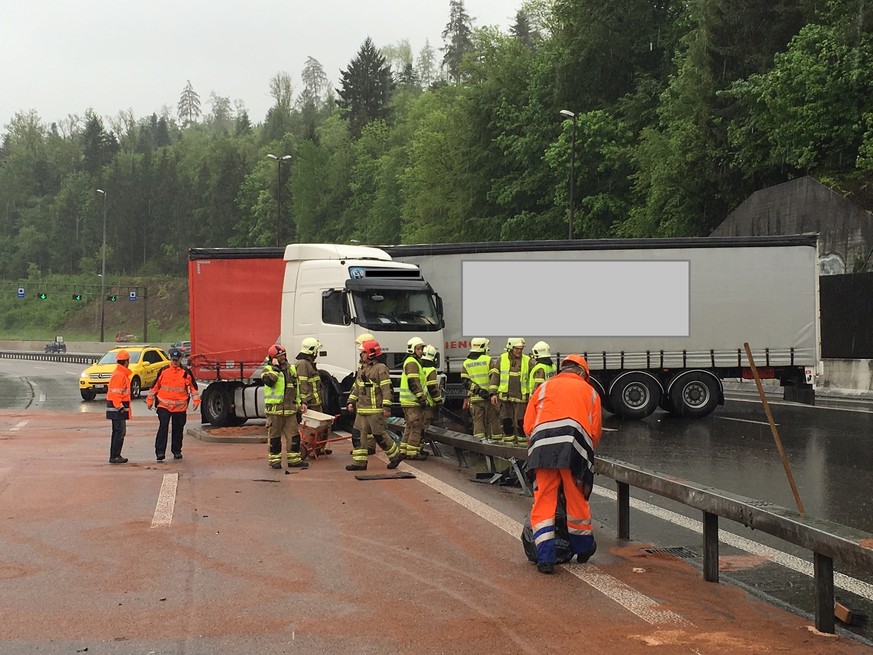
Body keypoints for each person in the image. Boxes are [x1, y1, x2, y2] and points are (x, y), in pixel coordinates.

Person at [524, 354, 602, 574]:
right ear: (582, 373)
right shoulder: (591, 393)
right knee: (576, 500)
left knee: (543, 502)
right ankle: (583, 548)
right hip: (574, 451)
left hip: (542, 450)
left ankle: (545, 558)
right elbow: (594, 431)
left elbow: (529, 425)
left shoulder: (543, 388)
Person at [346, 339, 402, 471]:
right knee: (357, 435)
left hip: (375, 410)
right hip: (362, 410)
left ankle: (396, 456)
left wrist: (386, 407)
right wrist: (351, 401)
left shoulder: (380, 369)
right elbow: (357, 387)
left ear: (371, 354)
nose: (361, 355)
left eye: (363, 352)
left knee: (379, 435)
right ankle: (359, 463)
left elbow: (386, 389)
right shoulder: (363, 368)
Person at [146, 347, 201, 461]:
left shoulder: (185, 372)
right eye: (173, 360)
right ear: (170, 359)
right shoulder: (164, 370)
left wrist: (196, 401)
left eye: (177, 360)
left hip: (180, 407)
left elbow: (193, 387)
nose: (175, 362)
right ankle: (160, 452)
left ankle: (176, 451)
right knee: (163, 427)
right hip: (164, 405)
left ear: (180, 359)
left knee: (178, 429)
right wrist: (150, 400)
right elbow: (155, 386)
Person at [262, 344, 308, 470]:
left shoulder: (291, 369)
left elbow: (296, 388)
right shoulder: (268, 370)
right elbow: (270, 381)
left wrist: (302, 402)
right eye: (279, 356)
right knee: (275, 438)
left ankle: (294, 460)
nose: (283, 357)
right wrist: (276, 367)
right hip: (274, 411)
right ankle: (275, 461)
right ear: (273, 358)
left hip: (290, 410)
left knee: (294, 436)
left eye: (283, 355)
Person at [490, 337, 530, 446]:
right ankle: (509, 449)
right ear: (510, 348)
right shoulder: (501, 359)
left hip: (521, 398)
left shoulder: (527, 360)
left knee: (521, 425)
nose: (519, 351)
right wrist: (493, 393)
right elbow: (495, 376)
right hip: (505, 397)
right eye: (517, 349)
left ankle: (522, 451)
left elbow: (533, 378)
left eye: (521, 349)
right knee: (507, 424)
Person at [461, 337, 500, 443]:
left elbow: (465, 382)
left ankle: (479, 445)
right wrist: (491, 393)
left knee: (478, 422)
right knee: (493, 421)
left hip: (475, 399)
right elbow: (494, 377)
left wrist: (478, 391)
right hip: (489, 397)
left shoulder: (466, 363)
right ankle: (495, 444)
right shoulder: (488, 360)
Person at [398, 336, 428, 460]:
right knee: (416, 426)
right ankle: (412, 452)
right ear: (413, 349)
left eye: (421, 349)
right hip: (413, 401)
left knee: (409, 426)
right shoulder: (412, 362)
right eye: (419, 349)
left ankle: (404, 450)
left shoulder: (411, 362)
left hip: (407, 401)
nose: (421, 351)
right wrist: (421, 396)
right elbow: (413, 381)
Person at [106, 349, 132, 464]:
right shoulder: (120, 375)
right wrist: (120, 407)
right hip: (117, 409)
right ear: (126, 361)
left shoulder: (119, 373)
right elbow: (116, 393)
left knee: (118, 432)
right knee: (119, 432)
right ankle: (115, 456)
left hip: (117, 408)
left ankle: (116, 455)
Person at [354, 333, 377, 455]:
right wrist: (352, 399)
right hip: (363, 401)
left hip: (371, 402)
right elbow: (358, 382)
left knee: (370, 428)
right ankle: (365, 448)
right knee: (363, 429)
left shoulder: (377, 367)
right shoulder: (362, 363)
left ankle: (369, 447)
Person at [420, 344, 443, 449]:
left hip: (417, 400)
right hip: (428, 403)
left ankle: (417, 448)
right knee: (424, 426)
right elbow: (432, 387)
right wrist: (438, 401)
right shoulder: (431, 370)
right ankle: (420, 448)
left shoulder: (417, 366)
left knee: (417, 426)